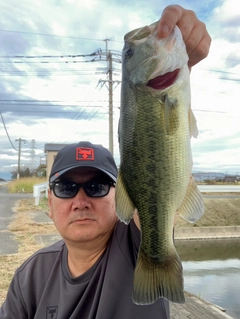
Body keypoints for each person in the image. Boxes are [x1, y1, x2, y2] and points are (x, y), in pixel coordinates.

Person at [0, 5, 211, 319]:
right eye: (66, 187)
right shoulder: (28, 279)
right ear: (48, 200)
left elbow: (156, 174)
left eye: (98, 186)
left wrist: (185, 59)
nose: (81, 200)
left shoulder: (135, 245)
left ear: (119, 195)